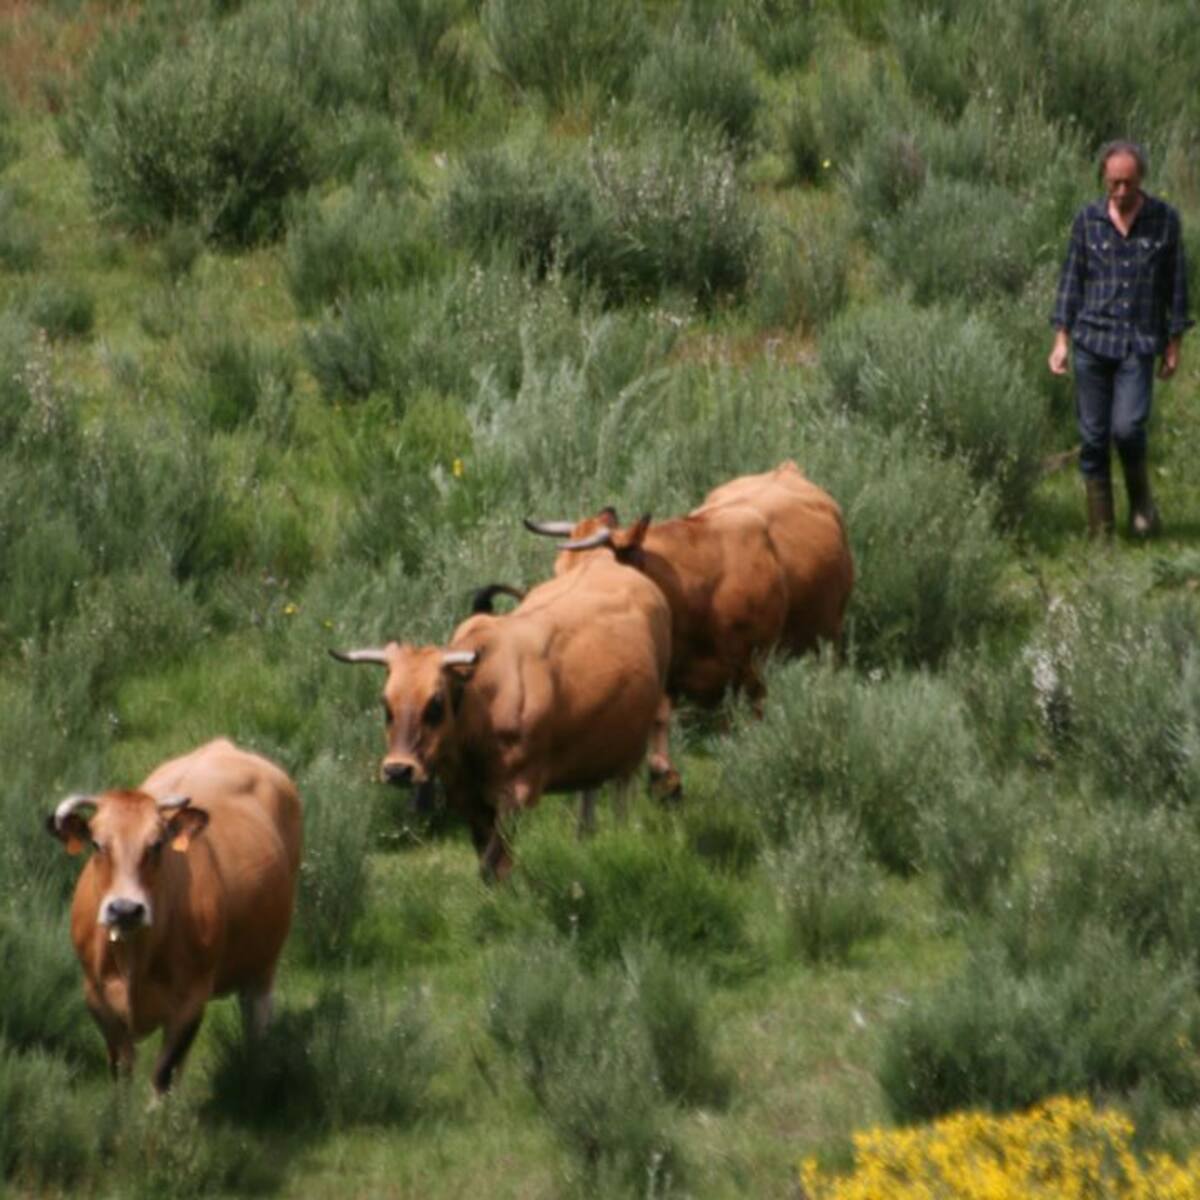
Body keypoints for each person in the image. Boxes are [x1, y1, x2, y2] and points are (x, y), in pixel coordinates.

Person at [1048, 140, 1192, 538]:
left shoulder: (1164, 220)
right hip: (1092, 341)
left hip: (1139, 342)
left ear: (1141, 178)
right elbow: (1070, 282)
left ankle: (1142, 503)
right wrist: (1061, 340)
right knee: (1093, 440)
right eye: (1114, 184)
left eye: (1128, 183)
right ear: (1104, 180)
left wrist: (1174, 344)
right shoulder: (1087, 220)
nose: (1121, 192)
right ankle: (1102, 534)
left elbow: (1176, 285)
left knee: (1127, 429)